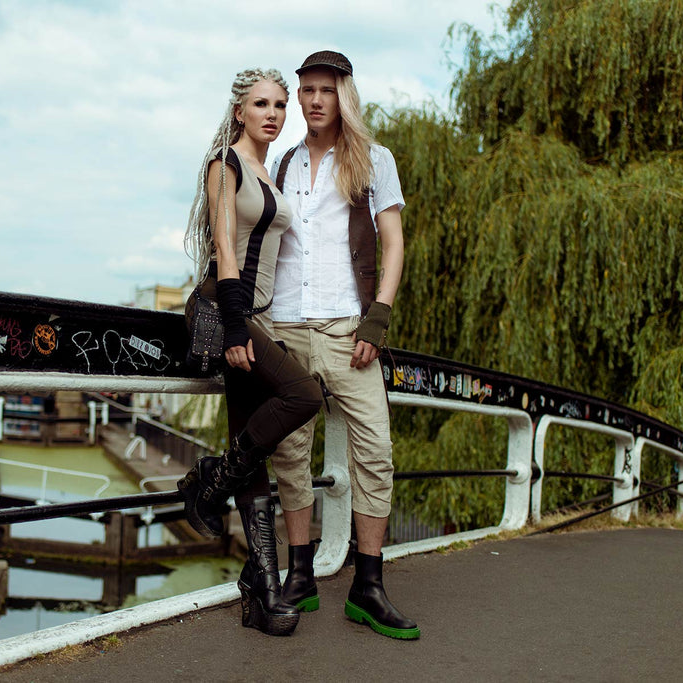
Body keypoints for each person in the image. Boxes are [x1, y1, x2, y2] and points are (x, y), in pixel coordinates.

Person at [268, 51, 420, 640]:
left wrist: (376, 319)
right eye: (305, 90)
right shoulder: (282, 164)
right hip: (285, 325)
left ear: (343, 96)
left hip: (345, 328)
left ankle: (368, 585)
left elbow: (394, 240)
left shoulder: (373, 159)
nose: (312, 100)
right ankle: (300, 574)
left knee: (374, 449)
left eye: (324, 90)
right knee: (290, 451)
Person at [178, 68, 323, 636]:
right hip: (223, 308)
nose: (273, 113)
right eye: (261, 104)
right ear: (239, 111)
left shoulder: (269, 170)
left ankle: (262, 594)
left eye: (280, 105)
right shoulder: (226, 164)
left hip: (254, 317)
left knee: (253, 453)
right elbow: (223, 249)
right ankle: (211, 481)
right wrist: (239, 329)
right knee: (302, 393)